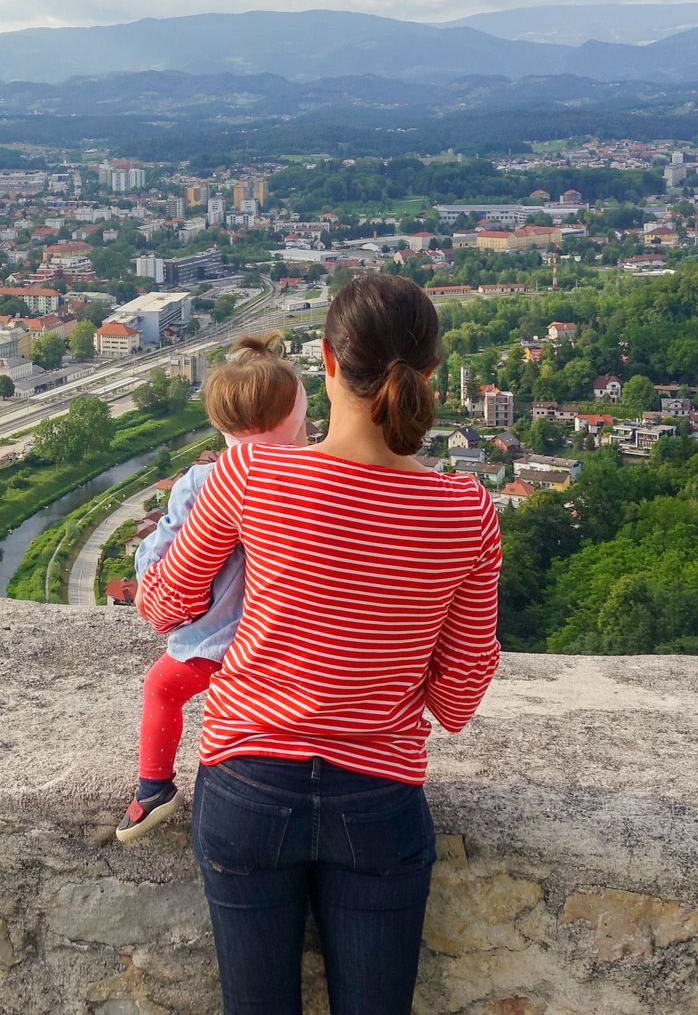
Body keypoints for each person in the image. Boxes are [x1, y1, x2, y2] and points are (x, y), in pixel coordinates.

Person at [136, 274, 502, 1015]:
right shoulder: (467, 511)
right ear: (428, 375)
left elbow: (167, 604)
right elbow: (458, 700)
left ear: (328, 366)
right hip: (378, 799)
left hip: (246, 785)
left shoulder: (247, 474)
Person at [117, 336, 308, 842]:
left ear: (221, 425)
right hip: (282, 650)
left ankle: (154, 787)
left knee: (161, 688)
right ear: (296, 418)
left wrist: (143, 572)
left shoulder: (204, 480)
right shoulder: (311, 479)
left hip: (212, 645)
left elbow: (162, 556)